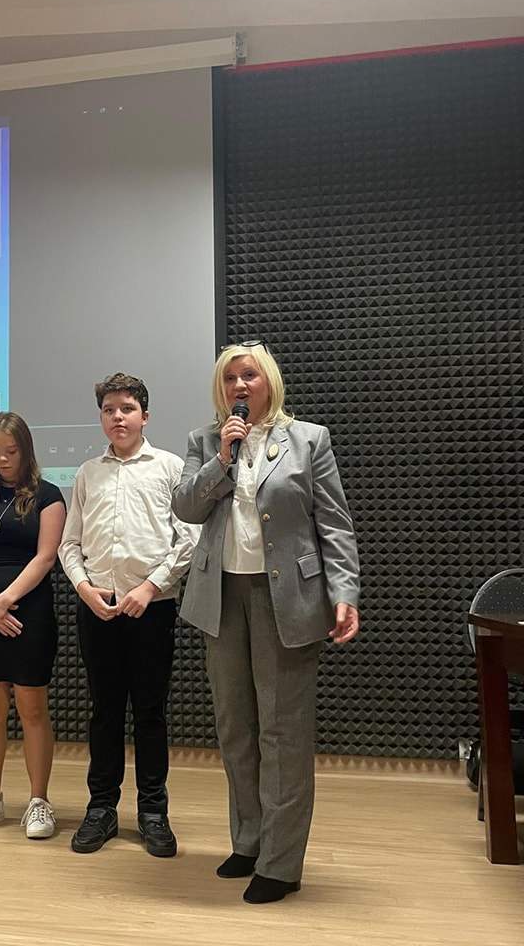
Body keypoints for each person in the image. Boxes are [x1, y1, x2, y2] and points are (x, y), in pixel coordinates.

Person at [172, 341, 360, 904]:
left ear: (269, 381)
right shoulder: (205, 441)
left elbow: (334, 524)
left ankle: (281, 862)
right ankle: (249, 841)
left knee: (283, 732)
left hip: (288, 599)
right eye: (230, 377)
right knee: (235, 728)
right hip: (221, 596)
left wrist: (344, 592)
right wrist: (221, 460)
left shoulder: (309, 440)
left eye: (249, 375)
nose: (239, 385)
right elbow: (185, 507)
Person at [58, 373, 197, 857]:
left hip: (151, 611)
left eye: (127, 408)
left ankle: (153, 812)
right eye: (109, 410)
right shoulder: (87, 473)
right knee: (104, 712)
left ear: (145, 416)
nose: (117, 417)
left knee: (150, 713)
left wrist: (149, 587)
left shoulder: (170, 468)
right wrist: (83, 588)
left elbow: (188, 539)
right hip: (97, 609)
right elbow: (70, 543)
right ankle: (101, 809)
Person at [0, 412, 67, 839]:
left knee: (32, 706)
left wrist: (5, 600)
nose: (3, 459)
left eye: (11, 451)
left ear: (26, 450)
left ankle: (39, 801)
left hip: (28, 612)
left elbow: (45, 557)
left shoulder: (48, 496)